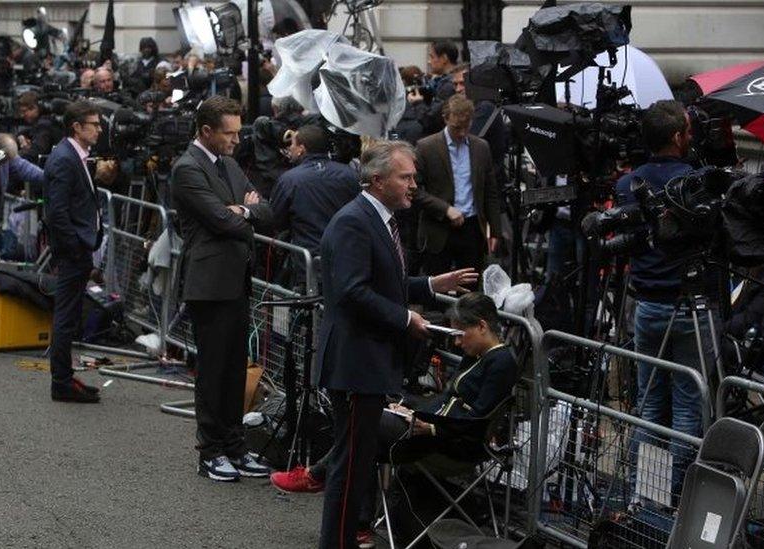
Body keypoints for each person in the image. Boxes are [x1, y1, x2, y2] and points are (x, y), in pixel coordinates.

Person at [313, 140, 478, 549]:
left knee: (355, 462)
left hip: (366, 360)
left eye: (413, 177)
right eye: (405, 177)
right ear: (377, 180)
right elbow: (353, 291)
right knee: (349, 465)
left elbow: (381, 284)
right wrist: (406, 319)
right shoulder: (355, 221)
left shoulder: (379, 218)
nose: (413, 185)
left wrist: (428, 286)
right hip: (355, 361)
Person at [272, 293, 517, 545]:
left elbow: (477, 420)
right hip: (437, 430)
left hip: (451, 443)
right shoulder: (479, 356)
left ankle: (317, 476)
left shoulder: (501, 363)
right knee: (366, 429)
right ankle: (357, 521)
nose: (456, 343)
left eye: (459, 334)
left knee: (366, 423)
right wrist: (409, 410)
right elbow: (447, 399)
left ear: (481, 326)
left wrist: (432, 427)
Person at [170, 95, 274, 482]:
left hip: (236, 280)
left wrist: (244, 210)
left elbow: (266, 209)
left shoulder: (228, 163)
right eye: (228, 133)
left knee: (233, 370)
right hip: (208, 283)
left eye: (238, 131)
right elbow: (219, 221)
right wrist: (241, 213)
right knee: (213, 371)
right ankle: (210, 451)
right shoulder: (187, 169)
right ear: (206, 131)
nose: (236, 140)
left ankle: (235, 445)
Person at [620, 100, 714, 504]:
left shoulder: (628, 184)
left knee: (649, 405)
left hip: (647, 308)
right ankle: (674, 500)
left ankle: (649, 497)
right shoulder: (697, 181)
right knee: (687, 410)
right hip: (691, 308)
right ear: (679, 137)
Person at [43, 101, 106, 403]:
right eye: (94, 124)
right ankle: (61, 382)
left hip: (79, 247)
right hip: (73, 251)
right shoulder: (65, 159)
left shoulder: (75, 156)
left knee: (69, 314)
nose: (99, 129)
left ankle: (65, 377)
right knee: (66, 316)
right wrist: (75, 247)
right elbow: (57, 212)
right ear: (77, 127)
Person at [413, 95, 501, 276]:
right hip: (438, 229)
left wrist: (495, 231)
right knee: (437, 294)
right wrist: (445, 209)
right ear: (445, 119)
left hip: (471, 229)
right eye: (456, 128)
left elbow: (490, 192)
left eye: (466, 127)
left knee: (470, 293)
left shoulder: (481, 147)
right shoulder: (426, 147)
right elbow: (414, 191)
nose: (462, 133)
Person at [270, 125, 359, 286]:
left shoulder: (290, 180)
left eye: (292, 144)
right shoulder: (349, 174)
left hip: (308, 264)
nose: (290, 148)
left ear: (302, 149)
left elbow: (275, 219)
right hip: (347, 259)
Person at [407, 40, 459, 135]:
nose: (429, 61)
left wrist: (418, 102)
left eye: (432, 57)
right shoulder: (443, 82)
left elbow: (430, 120)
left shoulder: (449, 85)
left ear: (444, 58)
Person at [16, 91, 64, 164]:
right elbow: (26, 132)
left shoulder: (44, 125)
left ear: (35, 108)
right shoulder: (45, 122)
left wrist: (14, 156)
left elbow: (35, 153)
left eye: (25, 111)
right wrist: (21, 137)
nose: (22, 115)